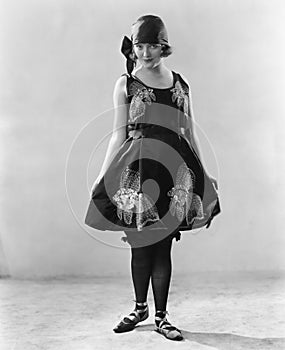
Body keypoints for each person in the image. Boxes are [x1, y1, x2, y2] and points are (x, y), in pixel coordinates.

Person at [84, 14, 221, 341]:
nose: (146, 53)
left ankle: (161, 316)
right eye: (140, 46)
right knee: (139, 245)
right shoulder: (126, 84)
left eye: (153, 46)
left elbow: (190, 133)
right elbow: (118, 135)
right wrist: (102, 176)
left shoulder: (180, 84)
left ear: (164, 46)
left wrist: (204, 173)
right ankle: (139, 308)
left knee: (162, 248)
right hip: (136, 172)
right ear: (134, 47)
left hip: (173, 174)